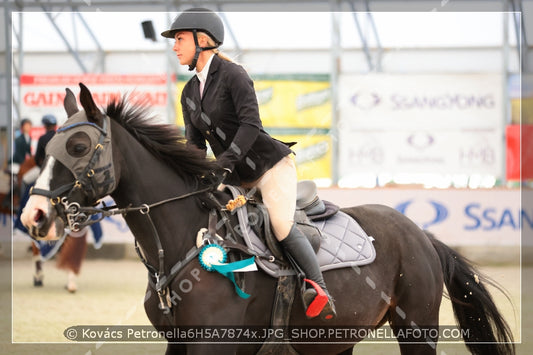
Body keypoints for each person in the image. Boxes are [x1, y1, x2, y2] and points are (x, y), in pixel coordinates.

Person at [161, 8, 336, 320]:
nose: (174, 46)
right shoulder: (188, 92)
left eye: (179, 39)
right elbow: (195, 145)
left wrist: (224, 165)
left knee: (281, 225)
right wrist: (193, 177)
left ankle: (318, 288)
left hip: (269, 168)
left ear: (203, 41)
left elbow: (250, 125)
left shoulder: (233, 75)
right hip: (235, 178)